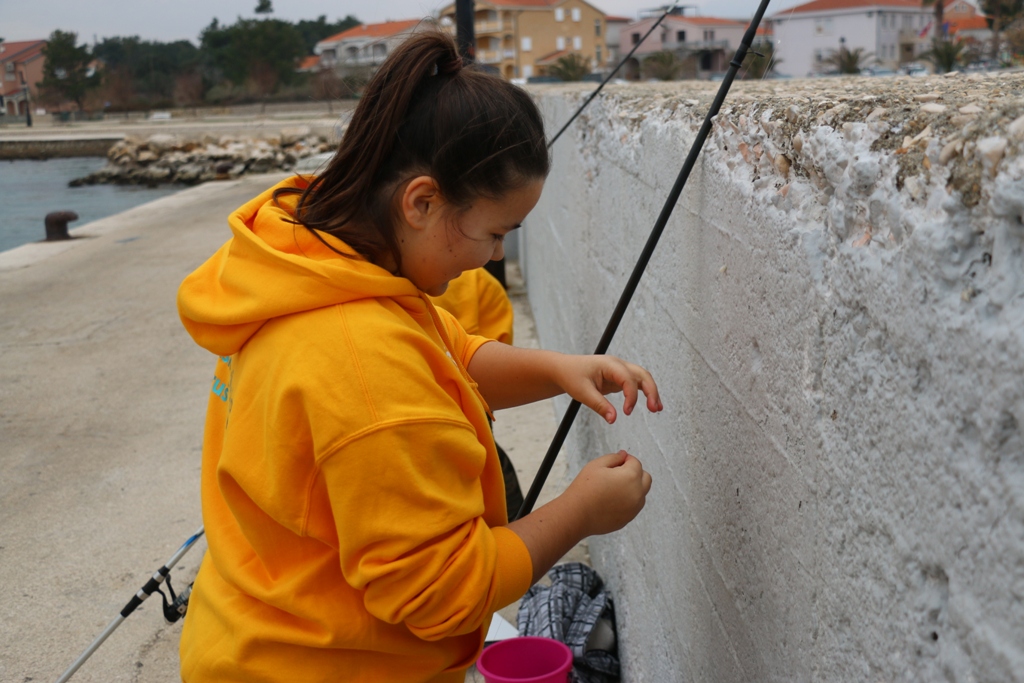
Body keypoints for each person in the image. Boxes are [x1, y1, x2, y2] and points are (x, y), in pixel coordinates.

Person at [176, 30, 660, 683]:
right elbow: (444, 594)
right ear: (422, 201)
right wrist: (583, 510)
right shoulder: (361, 359)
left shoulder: (314, 264)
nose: (493, 258)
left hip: (249, 629)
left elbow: (447, 350)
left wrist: (557, 370)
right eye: (494, 233)